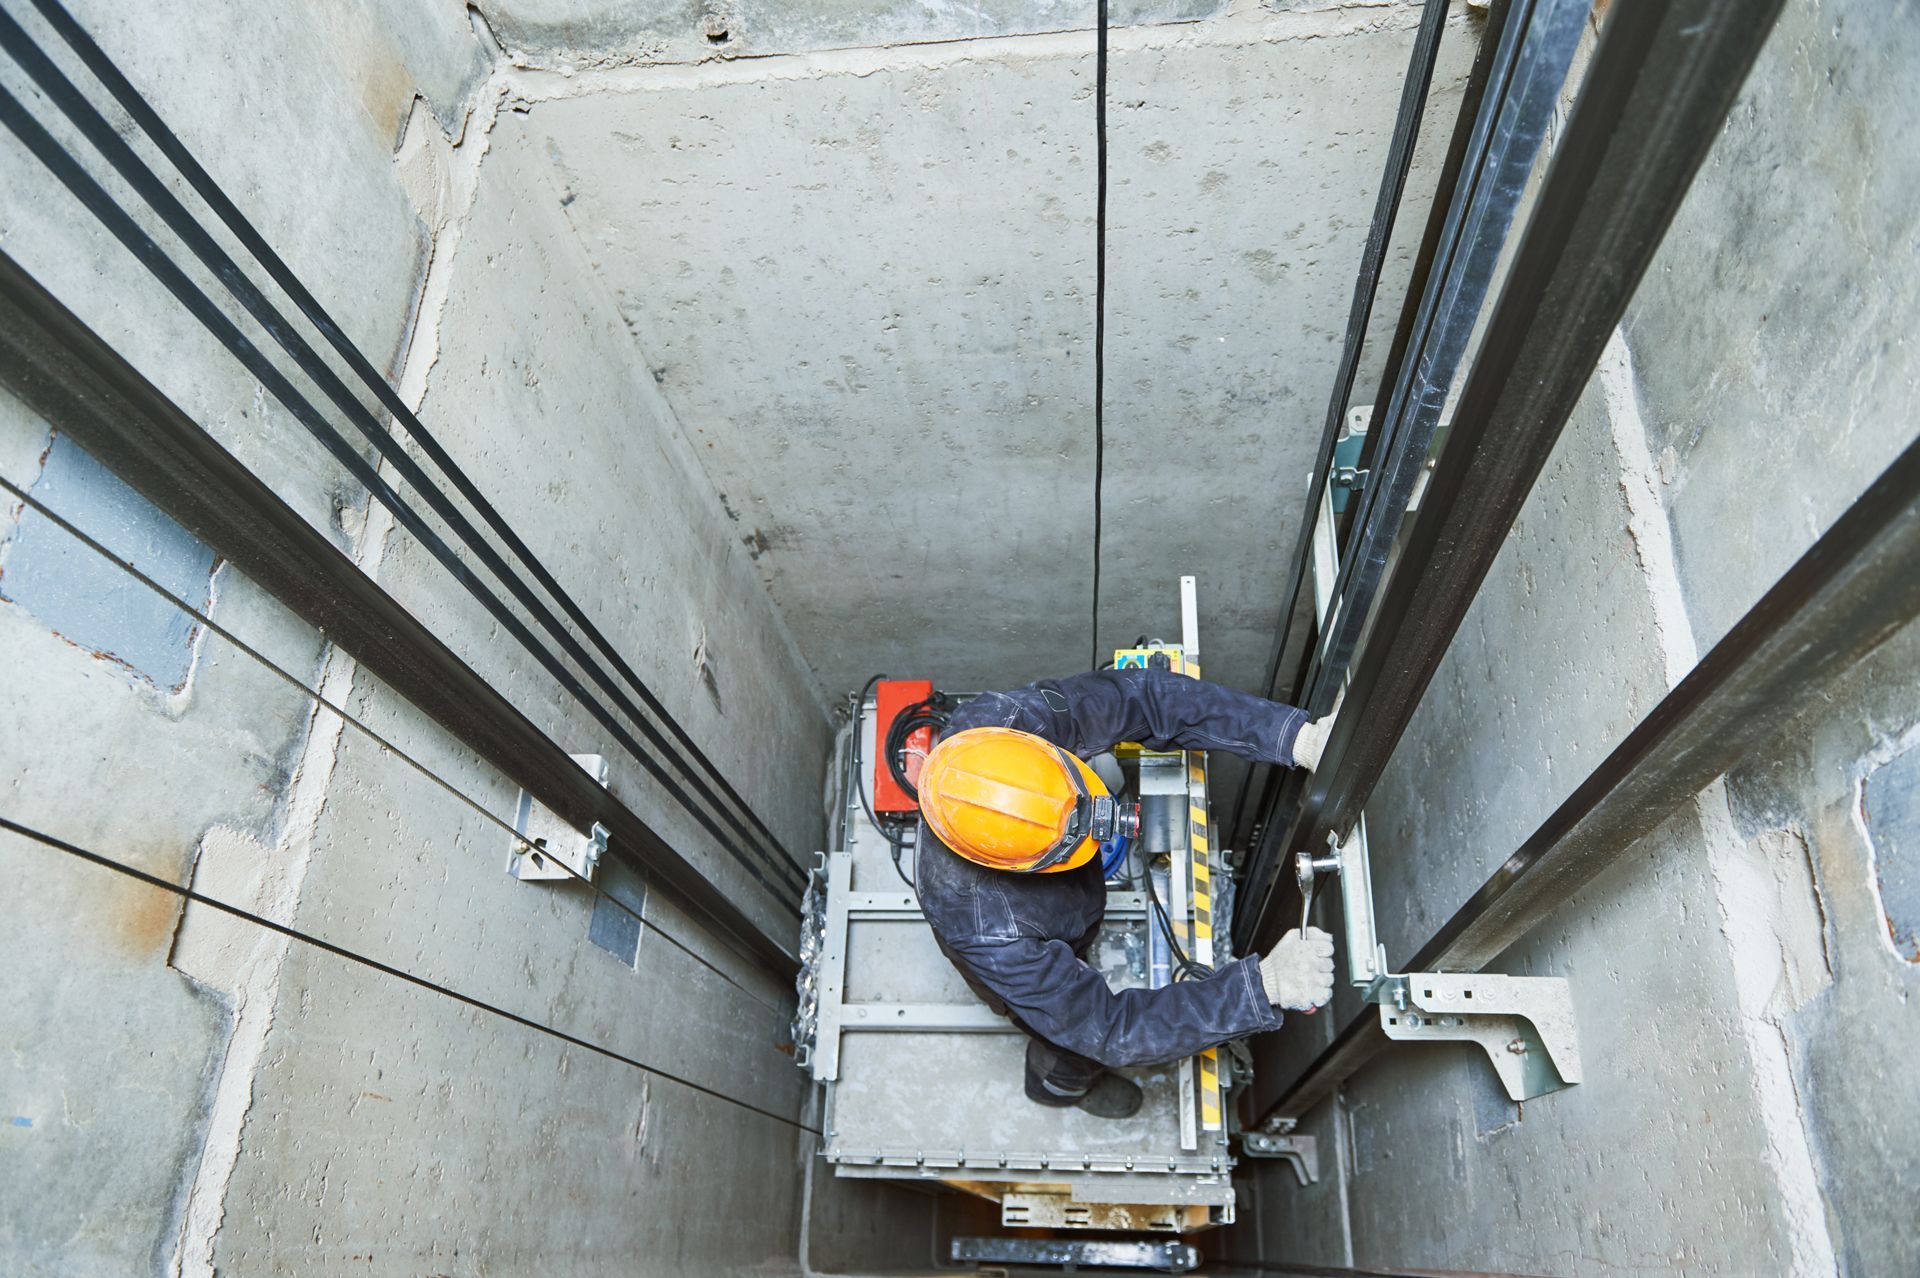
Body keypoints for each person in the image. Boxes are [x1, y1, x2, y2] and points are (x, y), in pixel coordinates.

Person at [911, 666, 1337, 1118]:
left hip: (1062, 903)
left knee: (1072, 956)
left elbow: (1146, 696)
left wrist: (1295, 737)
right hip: (1035, 928)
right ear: (1021, 865)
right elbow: (1108, 1029)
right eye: (1070, 845)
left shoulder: (1002, 728)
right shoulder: (990, 933)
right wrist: (1262, 986)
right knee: (1068, 1040)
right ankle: (1059, 1088)